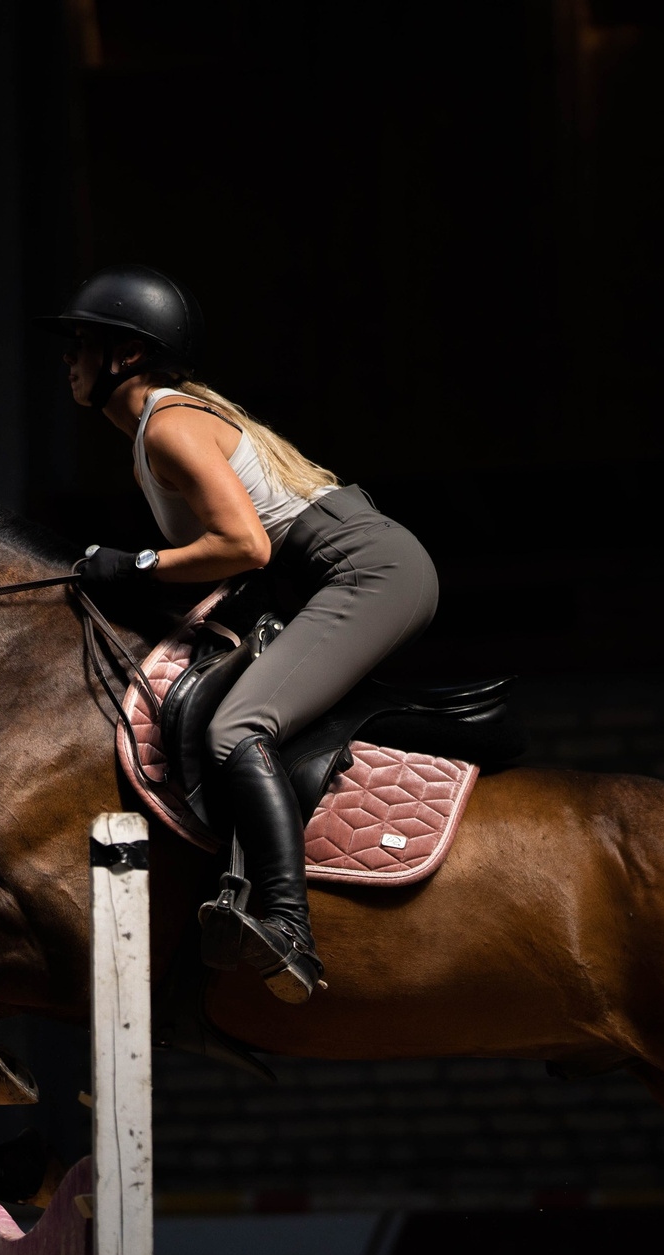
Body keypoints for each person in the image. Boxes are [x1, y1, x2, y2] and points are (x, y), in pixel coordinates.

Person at [53, 264, 439, 1005]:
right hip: (346, 572)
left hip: (366, 572)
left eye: (82, 343)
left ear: (127, 355)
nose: (68, 358)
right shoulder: (160, 424)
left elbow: (245, 546)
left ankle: (289, 926)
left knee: (237, 727)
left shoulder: (165, 424)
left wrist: (131, 564)